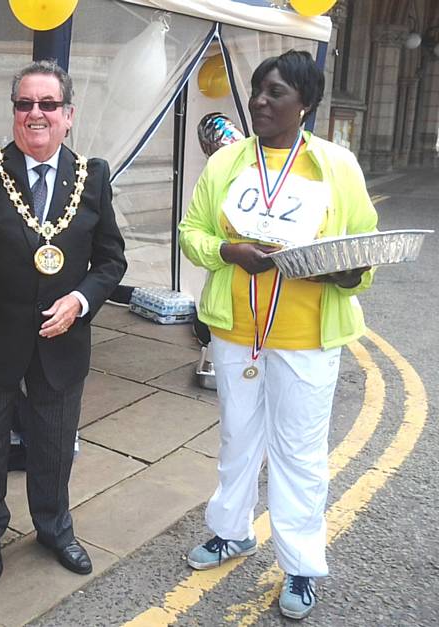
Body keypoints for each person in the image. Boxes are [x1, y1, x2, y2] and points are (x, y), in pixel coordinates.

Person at [179, 50, 378, 620]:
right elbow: (191, 231)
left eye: (276, 93)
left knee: (300, 454)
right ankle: (230, 532)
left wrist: (347, 271)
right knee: (238, 438)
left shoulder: (336, 166)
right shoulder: (227, 163)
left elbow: (363, 246)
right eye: (258, 91)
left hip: (308, 335)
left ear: (305, 105)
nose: (261, 102)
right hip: (236, 330)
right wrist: (227, 251)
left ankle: (300, 565)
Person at [0, 60, 126, 580]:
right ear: (14, 114)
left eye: (47, 104)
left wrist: (80, 299)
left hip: (63, 338)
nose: (36, 113)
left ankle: (54, 529)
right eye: (24, 104)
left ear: (68, 115)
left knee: (54, 447)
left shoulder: (92, 175)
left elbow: (111, 260)